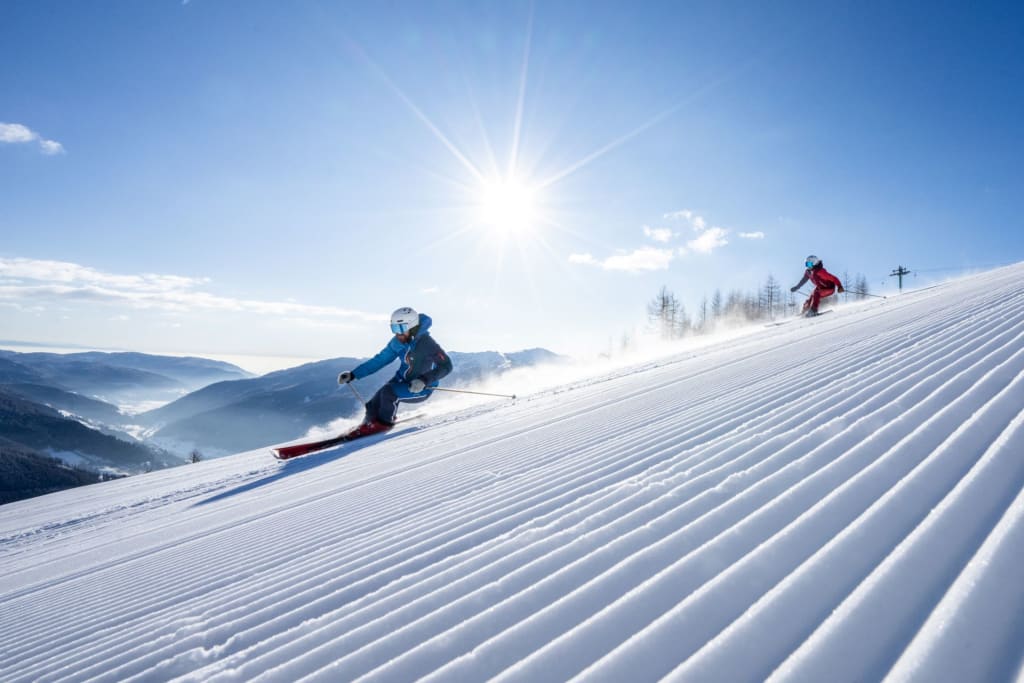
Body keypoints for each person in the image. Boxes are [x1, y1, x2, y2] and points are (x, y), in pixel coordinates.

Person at [337, 306, 453, 437]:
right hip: (401, 381)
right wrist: (354, 374)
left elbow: (446, 366)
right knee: (373, 404)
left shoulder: (427, 344)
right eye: (394, 329)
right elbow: (380, 360)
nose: (398, 334)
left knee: (389, 393)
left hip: (422, 387)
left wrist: (424, 380)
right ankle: (366, 426)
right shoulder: (397, 342)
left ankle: (383, 424)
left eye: (401, 329)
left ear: (412, 327)